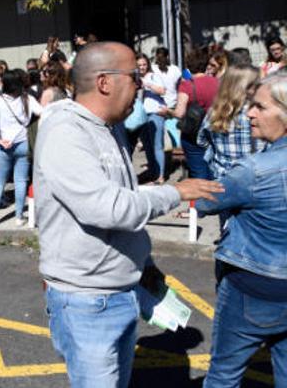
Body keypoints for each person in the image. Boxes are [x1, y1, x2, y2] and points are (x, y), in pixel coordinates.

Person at [35, 41, 223, 388]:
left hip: (122, 291)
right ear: (105, 82)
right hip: (87, 302)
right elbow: (108, 208)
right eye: (136, 76)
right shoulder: (65, 131)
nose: (142, 84)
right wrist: (176, 192)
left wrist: (145, 263)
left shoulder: (111, 127)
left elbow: (127, 197)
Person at [197, 72, 287, 387]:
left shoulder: (254, 171)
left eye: (260, 107)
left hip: (254, 286)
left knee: (223, 375)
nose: (249, 113)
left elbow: (205, 203)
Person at [0, 70, 42, 227]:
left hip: (4, 146)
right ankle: (18, 216)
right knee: (20, 180)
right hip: (23, 144)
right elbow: (43, 113)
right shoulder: (27, 99)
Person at [198, 64, 264, 181]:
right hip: (258, 177)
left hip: (224, 177)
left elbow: (201, 141)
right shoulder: (260, 112)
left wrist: (219, 150)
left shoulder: (214, 112)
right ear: (247, 87)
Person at [167, 46, 221, 180]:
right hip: (215, 129)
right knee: (215, 169)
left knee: (199, 173)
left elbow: (179, 113)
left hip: (193, 134)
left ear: (188, 66)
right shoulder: (218, 82)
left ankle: (202, 199)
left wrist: (166, 111)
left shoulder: (186, 85)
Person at [138, 53, 169, 184]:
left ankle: (160, 176)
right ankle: (153, 173)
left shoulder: (153, 76)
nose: (142, 67)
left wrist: (147, 84)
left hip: (155, 113)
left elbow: (162, 90)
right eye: (139, 65)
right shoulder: (135, 78)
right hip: (141, 116)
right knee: (148, 146)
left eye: (144, 64)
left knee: (157, 146)